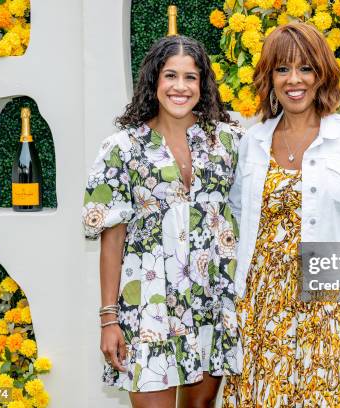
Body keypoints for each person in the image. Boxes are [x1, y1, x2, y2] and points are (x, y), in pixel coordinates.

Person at [223, 23, 340, 407]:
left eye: (305, 68)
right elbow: (234, 222)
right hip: (262, 308)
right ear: (269, 78)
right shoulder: (252, 142)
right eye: (282, 69)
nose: (293, 80)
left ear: (322, 74)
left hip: (330, 306)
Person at [81, 35, 243, 408]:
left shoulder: (228, 142)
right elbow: (112, 237)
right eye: (171, 75)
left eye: (191, 77)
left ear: (203, 85)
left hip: (210, 301)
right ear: (154, 81)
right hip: (148, 305)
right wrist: (109, 319)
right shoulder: (122, 147)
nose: (181, 87)